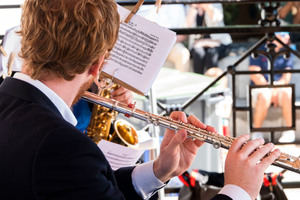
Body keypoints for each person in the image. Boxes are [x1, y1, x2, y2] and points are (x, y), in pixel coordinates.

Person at [0, 0, 279, 200]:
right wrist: (238, 190)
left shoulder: (8, 101)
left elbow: (86, 187)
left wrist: (158, 170)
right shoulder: (64, 148)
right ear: (99, 65)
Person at [249, 32, 295, 143]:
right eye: (283, 35)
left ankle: (289, 131)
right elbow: (255, 74)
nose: (287, 37)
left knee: (286, 93)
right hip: (260, 87)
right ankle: (257, 131)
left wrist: (274, 89)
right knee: (265, 95)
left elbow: (286, 77)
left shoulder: (288, 51)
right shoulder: (258, 49)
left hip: (279, 87)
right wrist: (270, 89)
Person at [186, 3, 232, 74]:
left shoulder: (215, 4)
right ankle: (199, 82)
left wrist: (205, 6)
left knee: (211, 53)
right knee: (198, 54)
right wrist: (193, 9)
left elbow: (216, 18)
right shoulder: (190, 6)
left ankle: (213, 82)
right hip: (198, 43)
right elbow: (187, 26)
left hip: (218, 42)